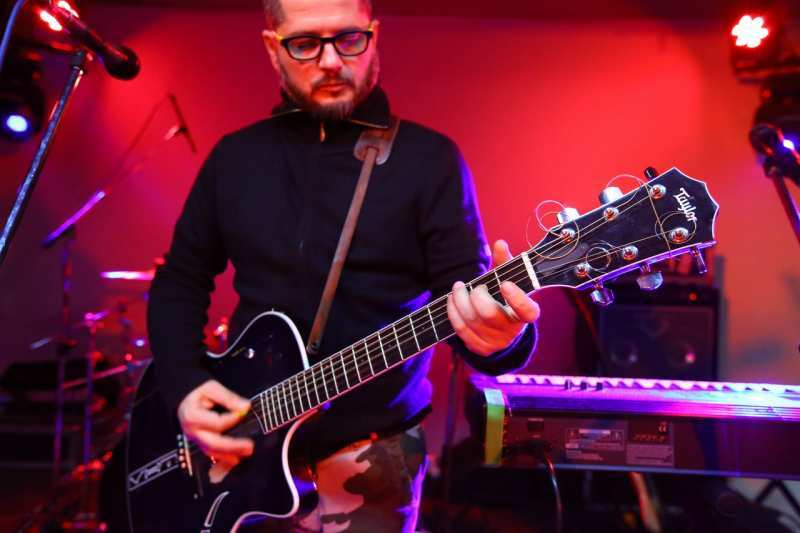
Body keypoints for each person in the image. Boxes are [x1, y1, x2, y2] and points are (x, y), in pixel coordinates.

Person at [147, 0, 541, 530]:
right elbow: (180, 280)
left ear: (373, 36)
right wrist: (185, 385)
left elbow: (469, 306)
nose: (331, 61)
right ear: (273, 49)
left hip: (373, 455)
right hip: (244, 443)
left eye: (349, 39)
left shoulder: (430, 160)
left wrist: (501, 338)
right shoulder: (234, 158)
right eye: (305, 43)